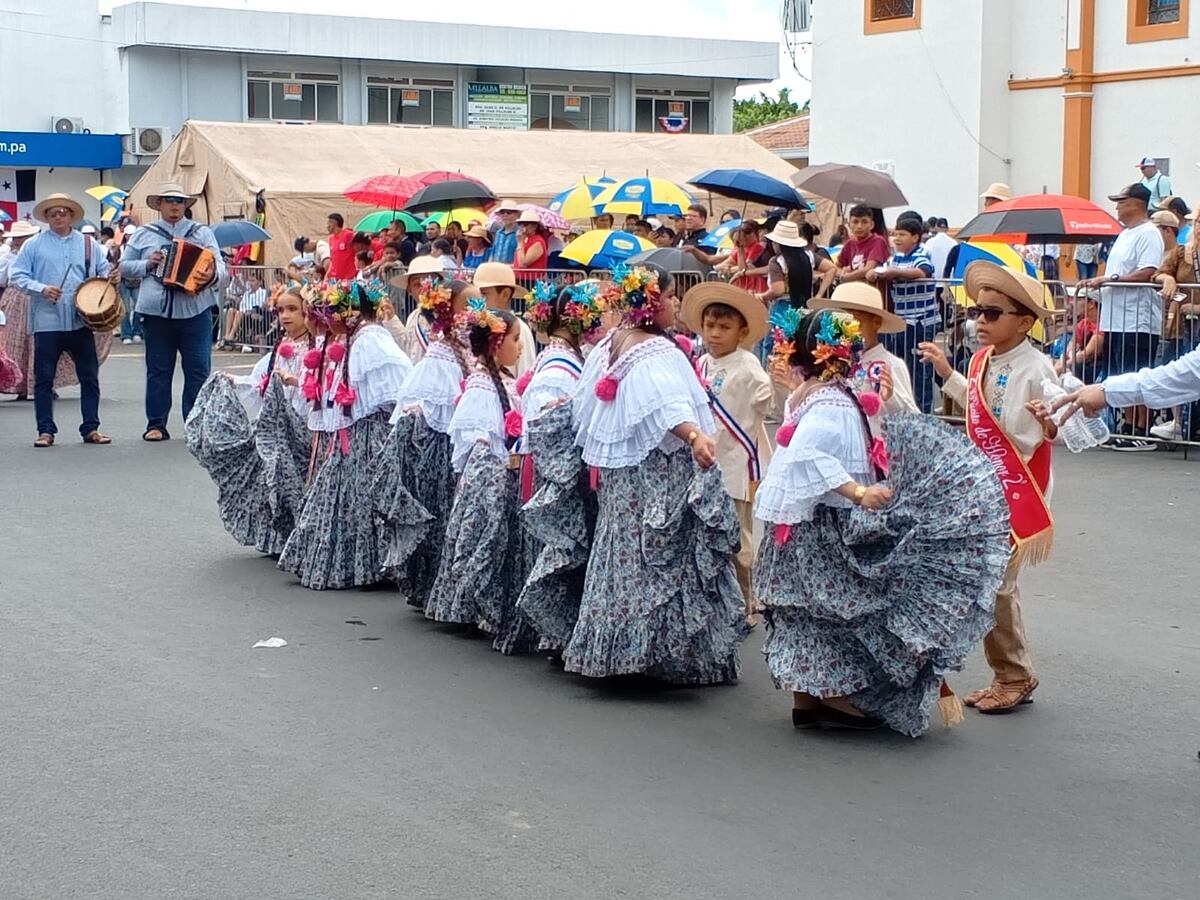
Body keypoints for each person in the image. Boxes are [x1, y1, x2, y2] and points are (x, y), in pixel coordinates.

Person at [755, 308, 1002, 734]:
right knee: (833, 611)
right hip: (820, 525)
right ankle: (830, 699)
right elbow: (807, 455)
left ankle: (808, 699)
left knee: (807, 612)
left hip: (798, 526)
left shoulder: (813, 394)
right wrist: (857, 491)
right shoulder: (832, 401)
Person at [568, 265, 745, 684]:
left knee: (620, 554)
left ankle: (614, 652)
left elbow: (586, 406)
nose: (676, 303)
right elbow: (665, 404)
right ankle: (654, 656)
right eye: (670, 296)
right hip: (655, 475)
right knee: (654, 561)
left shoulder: (610, 344)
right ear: (652, 302)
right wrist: (694, 435)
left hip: (620, 474)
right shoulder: (655, 351)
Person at [919, 261, 1058, 714]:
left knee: (997, 584)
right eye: (977, 312)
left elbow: (1046, 429)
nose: (980, 321)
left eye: (992, 313)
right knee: (991, 584)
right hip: (984, 489)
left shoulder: (1037, 368)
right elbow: (975, 408)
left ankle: (1013, 675)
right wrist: (947, 372)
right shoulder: (982, 359)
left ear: (1024, 321)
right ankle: (1009, 672)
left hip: (1019, 489)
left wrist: (1050, 424)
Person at [277, 282, 415, 590]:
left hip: (367, 432)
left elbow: (394, 386)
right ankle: (361, 566)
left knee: (363, 499)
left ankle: (374, 566)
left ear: (348, 314)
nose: (322, 320)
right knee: (348, 500)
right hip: (349, 433)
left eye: (327, 313)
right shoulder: (347, 338)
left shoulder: (369, 339)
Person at [425, 302, 539, 653]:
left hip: (505, 478)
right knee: (487, 543)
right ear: (495, 345)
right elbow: (479, 445)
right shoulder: (482, 387)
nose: (520, 346)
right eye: (515, 340)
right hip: (493, 482)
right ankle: (480, 607)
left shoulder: (501, 381)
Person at [512, 280, 606, 653]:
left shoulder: (563, 358)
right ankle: (551, 631)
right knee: (560, 550)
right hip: (555, 471)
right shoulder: (558, 368)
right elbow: (546, 427)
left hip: (556, 467)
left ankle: (554, 631)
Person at [373, 276, 478, 608]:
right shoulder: (440, 356)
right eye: (469, 305)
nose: (477, 311)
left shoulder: (468, 350)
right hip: (442, 451)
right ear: (448, 313)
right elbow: (431, 410)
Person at [186, 285, 313, 555]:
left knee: (300, 482)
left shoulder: (317, 349)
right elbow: (259, 383)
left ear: (307, 312)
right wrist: (235, 381)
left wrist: (297, 382)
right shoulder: (278, 349)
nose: (285, 316)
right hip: (277, 427)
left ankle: (304, 536)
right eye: (280, 310)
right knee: (274, 482)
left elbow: (320, 387)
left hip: (306, 426)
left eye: (292, 309)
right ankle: (282, 538)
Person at [680, 282, 771, 618]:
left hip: (736, 462)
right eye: (709, 326)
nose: (715, 334)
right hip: (705, 460)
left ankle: (747, 601)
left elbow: (767, 398)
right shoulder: (701, 363)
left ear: (742, 332)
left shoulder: (748, 367)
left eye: (724, 327)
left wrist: (779, 383)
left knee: (738, 538)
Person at [120, 183, 226, 442]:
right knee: (158, 370)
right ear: (159, 204)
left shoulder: (201, 233)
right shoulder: (144, 234)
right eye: (169, 200)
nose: (175, 206)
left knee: (198, 369)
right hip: (156, 312)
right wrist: (148, 264)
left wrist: (210, 276)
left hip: (196, 310)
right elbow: (124, 266)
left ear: (186, 205)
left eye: (179, 201)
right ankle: (156, 424)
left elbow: (222, 269)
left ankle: (195, 425)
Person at [10, 193, 116, 446]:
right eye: (53, 213)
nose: (58, 217)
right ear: (46, 217)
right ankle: (45, 430)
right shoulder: (33, 245)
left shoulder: (89, 244)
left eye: (63, 212)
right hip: (47, 321)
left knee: (89, 377)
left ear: (71, 215)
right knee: (44, 379)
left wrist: (110, 278)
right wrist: (42, 288)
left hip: (81, 320)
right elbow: (17, 276)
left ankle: (91, 428)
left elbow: (103, 270)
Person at [1078, 182, 1164, 450]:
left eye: (1122, 202)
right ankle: (1127, 425)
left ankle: (1142, 428)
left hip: (1137, 319)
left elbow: (1148, 271)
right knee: (1121, 374)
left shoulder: (1148, 233)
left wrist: (1110, 279)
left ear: (1136, 204)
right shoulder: (1124, 234)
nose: (1117, 208)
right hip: (1116, 318)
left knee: (1138, 372)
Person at [810, 282, 918, 428]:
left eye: (854, 324)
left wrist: (890, 398)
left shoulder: (890, 364)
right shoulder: (829, 363)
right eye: (837, 324)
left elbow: (912, 418)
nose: (846, 332)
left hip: (874, 438)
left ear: (876, 323)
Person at [868, 217, 938, 413]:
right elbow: (882, 270)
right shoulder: (895, 258)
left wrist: (895, 273)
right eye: (895, 234)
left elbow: (922, 271)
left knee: (920, 367)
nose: (897, 238)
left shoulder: (922, 253)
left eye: (902, 234)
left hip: (922, 320)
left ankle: (924, 411)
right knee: (903, 365)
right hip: (902, 319)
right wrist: (875, 273)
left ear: (915, 237)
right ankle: (906, 408)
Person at [1148, 209, 1198, 440]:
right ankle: (1178, 422)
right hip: (1182, 325)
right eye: (1197, 222)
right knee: (1176, 369)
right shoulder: (1182, 252)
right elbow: (1158, 274)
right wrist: (1167, 278)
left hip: (1193, 317)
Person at [473, 261, 537, 376]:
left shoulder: (520, 329)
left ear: (505, 294)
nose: (477, 300)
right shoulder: (477, 326)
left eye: (483, 294)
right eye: (475, 294)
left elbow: (526, 373)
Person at [1055, 289, 1103, 385]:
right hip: (1083, 365)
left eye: (1079, 299)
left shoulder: (1102, 325)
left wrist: (1064, 365)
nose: (1074, 302)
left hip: (1097, 370)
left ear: (1091, 304)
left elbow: (1087, 353)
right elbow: (1072, 346)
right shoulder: (1084, 323)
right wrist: (1063, 360)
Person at [835, 204, 891, 284]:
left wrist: (846, 277)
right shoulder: (849, 244)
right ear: (849, 224)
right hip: (852, 288)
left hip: (872, 289)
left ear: (872, 225)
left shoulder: (878, 241)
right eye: (855, 222)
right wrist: (842, 272)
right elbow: (835, 267)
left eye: (864, 222)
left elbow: (868, 268)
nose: (859, 226)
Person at [219, 271, 267, 351]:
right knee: (231, 310)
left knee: (239, 313)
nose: (250, 283)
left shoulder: (263, 292)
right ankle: (227, 335)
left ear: (260, 282)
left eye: (253, 281)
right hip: (244, 313)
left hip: (254, 314)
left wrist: (248, 311)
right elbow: (242, 305)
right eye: (249, 281)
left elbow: (260, 305)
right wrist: (244, 310)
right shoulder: (246, 293)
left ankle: (231, 335)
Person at [514, 210, 549, 280]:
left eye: (525, 224)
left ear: (534, 226)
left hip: (530, 281)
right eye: (520, 224)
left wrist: (520, 243)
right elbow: (517, 262)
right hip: (520, 279)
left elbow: (523, 264)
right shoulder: (526, 240)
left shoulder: (538, 242)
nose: (522, 227)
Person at [324, 213, 357, 281]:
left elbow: (361, 247)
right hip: (335, 279)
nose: (327, 226)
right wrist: (327, 275)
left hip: (349, 278)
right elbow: (332, 260)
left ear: (334, 223)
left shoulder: (348, 234)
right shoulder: (331, 239)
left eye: (329, 223)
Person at [490, 201, 521, 265]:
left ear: (516, 215)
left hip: (512, 269)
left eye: (508, 213)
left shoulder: (520, 233)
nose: (505, 215)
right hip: (496, 267)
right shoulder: (498, 233)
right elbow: (493, 252)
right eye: (502, 213)